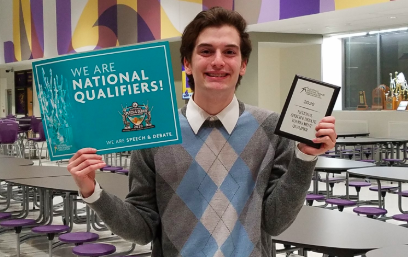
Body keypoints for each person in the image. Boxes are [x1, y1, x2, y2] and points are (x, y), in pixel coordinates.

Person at [67, 7, 336, 257]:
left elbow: (275, 222)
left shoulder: (270, 128)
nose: (218, 61)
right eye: (206, 51)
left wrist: (305, 159)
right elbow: (143, 229)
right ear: (187, 63)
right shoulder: (157, 132)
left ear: (242, 65)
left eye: (230, 52)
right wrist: (92, 192)